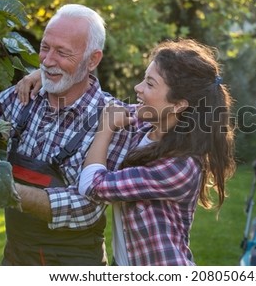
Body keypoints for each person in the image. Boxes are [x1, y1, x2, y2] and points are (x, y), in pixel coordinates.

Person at [0, 4, 133, 265]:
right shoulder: (22, 96)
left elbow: (85, 207)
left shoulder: (111, 120)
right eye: (45, 47)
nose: (48, 61)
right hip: (15, 257)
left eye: (62, 52)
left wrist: (1, 191)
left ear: (93, 59)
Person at [78, 39, 236, 265]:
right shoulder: (146, 126)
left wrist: (106, 128)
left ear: (179, 105)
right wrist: (45, 78)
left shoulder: (179, 166)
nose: (138, 88)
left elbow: (91, 186)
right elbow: (102, 105)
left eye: (150, 84)